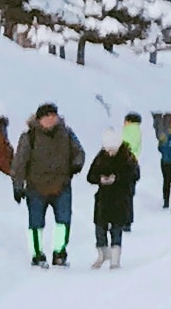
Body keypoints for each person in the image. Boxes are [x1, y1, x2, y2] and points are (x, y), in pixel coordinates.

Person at [13, 102, 83, 269]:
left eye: (54, 115)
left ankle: (59, 253)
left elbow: (78, 152)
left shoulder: (66, 133)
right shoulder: (29, 136)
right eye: (48, 115)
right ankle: (37, 254)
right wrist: (18, 185)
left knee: (63, 222)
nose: (52, 119)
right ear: (40, 119)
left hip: (61, 185)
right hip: (36, 187)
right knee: (36, 224)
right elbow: (20, 162)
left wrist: (76, 165)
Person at [86, 116, 145, 270]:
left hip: (120, 197)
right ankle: (102, 252)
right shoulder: (100, 157)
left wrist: (117, 178)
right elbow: (90, 176)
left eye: (113, 148)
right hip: (103, 198)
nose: (110, 151)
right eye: (107, 148)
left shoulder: (127, 157)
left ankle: (115, 256)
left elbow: (134, 175)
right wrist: (100, 179)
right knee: (100, 227)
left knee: (116, 227)